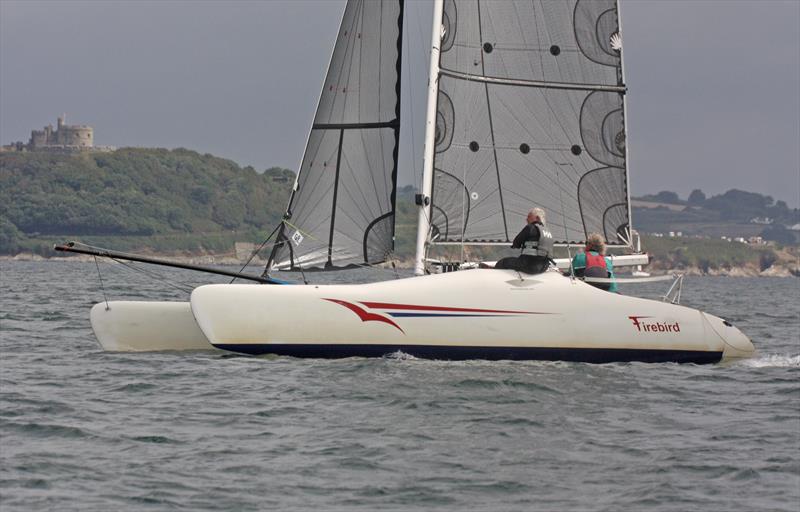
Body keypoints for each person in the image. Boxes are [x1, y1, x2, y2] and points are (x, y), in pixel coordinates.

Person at [495, 207, 553, 274]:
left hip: (529, 266)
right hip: (544, 267)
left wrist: (517, 245)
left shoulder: (530, 227)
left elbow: (516, 243)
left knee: (502, 262)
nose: (526, 219)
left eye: (529, 217)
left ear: (537, 218)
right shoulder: (548, 232)